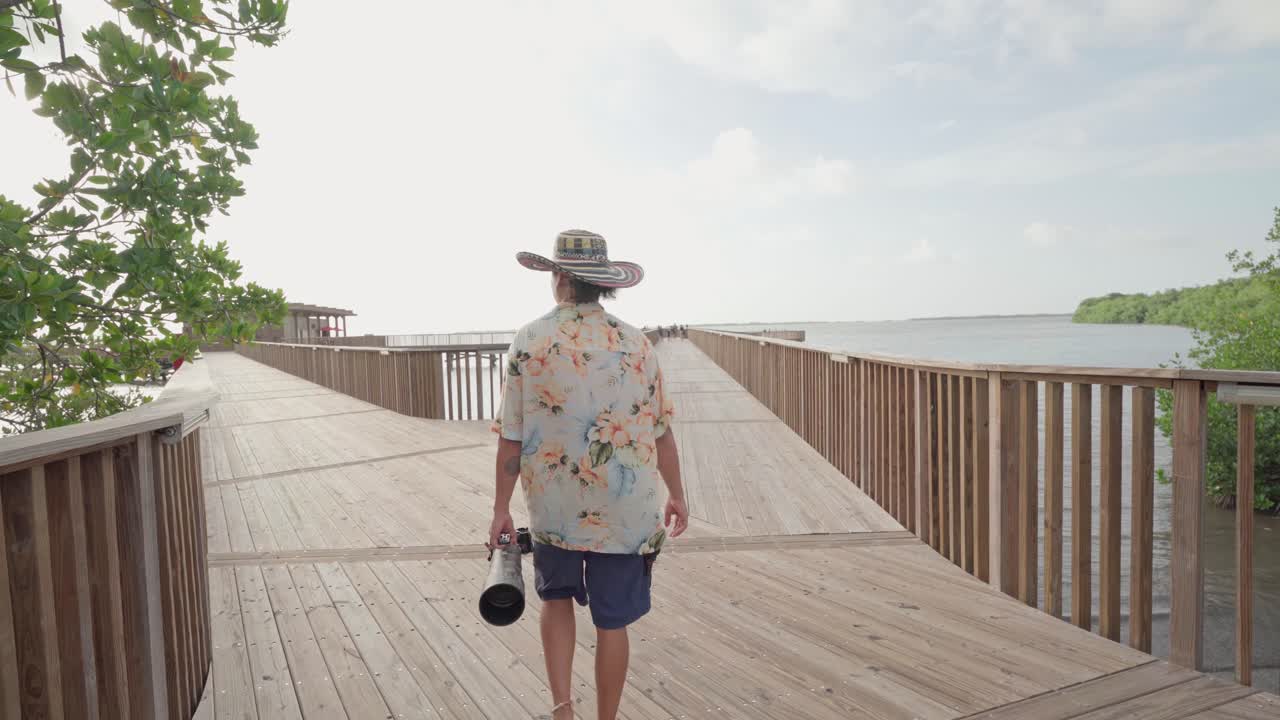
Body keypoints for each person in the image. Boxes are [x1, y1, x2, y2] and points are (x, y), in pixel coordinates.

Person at [488, 229, 688, 720]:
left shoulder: (530, 340)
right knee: (612, 621)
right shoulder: (637, 344)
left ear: (558, 277)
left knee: (556, 600)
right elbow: (660, 431)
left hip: (555, 504)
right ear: (603, 284)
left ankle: (562, 710)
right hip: (625, 510)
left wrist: (499, 509)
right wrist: (677, 494)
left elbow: (511, 438)